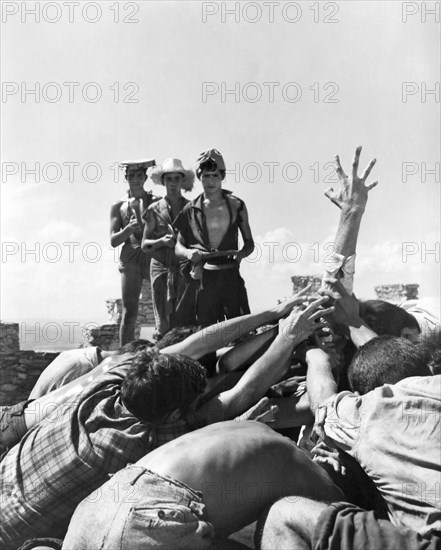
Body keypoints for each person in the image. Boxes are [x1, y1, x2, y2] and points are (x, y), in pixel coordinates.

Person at [0, 291, 333, 549]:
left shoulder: (104, 390)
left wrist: (273, 314)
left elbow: (196, 344)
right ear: (175, 414)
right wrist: (289, 336)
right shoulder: (148, 437)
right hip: (17, 541)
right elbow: (244, 391)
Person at [62, 421, 344, 550]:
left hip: (98, 504)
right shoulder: (297, 464)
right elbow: (342, 517)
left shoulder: (249, 429)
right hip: (149, 518)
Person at [175, 148, 255, 326]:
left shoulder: (237, 205)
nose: (210, 181)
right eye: (206, 176)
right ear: (199, 177)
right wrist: (188, 253)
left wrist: (242, 254)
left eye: (215, 176)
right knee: (206, 332)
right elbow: (178, 247)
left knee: (241, 328)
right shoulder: (190, 209)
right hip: (204, 277)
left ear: (222, 176)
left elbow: (249, 243)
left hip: (231, 274)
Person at [141, 158, 194, 340]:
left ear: (182, 181)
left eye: (176, 179)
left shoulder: (191, 208)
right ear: (163, 181)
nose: (173, 183)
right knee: (162, 321)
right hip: (160, 267)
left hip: (182, 267)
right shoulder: (153, 210)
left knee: (183, 318)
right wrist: (162, 241)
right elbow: (144, 245)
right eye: (169, 179)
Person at [110, 159, 158, 345]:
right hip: (130, 259)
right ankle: (124, 356)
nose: (135, 179)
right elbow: (114, 241)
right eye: (131, 176)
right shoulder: (118, 206)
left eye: (139, 176)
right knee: (129, 311)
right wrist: (128, 229)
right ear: (126, 177)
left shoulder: (156, 202)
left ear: (145, 177)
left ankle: (163, 352)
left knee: (162, 308)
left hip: (153, 257)